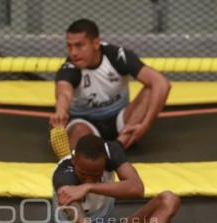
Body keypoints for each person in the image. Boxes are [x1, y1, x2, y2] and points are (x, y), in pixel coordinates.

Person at [52, 133, 180, 223]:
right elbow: (69, 204)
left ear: (105, 161)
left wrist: (88, 186)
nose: (89, 178)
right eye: (83, 174)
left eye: (96, 175)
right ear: (74, 160)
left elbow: (137, 189)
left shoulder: (111, 151)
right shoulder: (63, 171)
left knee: (169, 200)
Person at [50, 18, 171, 150]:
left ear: (96, 43)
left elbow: (162, 83)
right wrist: (60, 112)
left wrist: (147, 124)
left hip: (120, 119)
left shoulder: (118, 56)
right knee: (79, 132)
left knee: (149, 91)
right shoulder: (69, 67)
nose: (73, 52)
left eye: (79, 45)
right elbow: (64, 93)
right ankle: (99, 153)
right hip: (84, 121)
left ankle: (117, 147)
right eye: (69, 46)